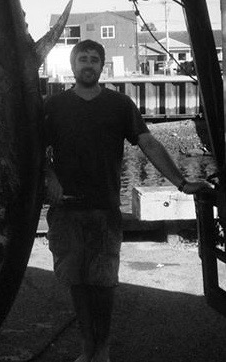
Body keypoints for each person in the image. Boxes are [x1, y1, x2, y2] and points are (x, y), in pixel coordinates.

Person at [44, 39, 213, 362]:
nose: (89, 64)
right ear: (73, 64)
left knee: (104, 283)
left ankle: (103, 348)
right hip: (65, 210)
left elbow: (148, 143)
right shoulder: (53, 106)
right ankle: (86, 346)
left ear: (102, 66)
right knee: (76, 282)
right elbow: (34, 148)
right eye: (83, 59)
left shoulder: (120, 105)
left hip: (105, 209)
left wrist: (181, 182)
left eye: (95, 59)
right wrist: (48, 175)